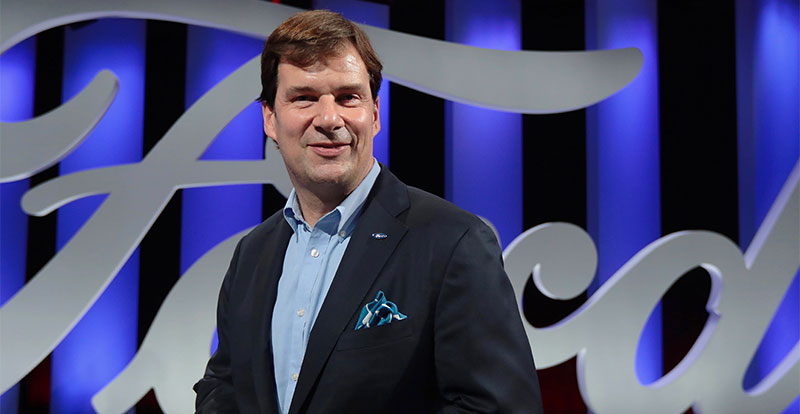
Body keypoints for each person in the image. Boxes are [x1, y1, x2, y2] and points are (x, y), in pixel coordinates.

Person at [194, 10, 543, 414]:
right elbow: (225, 385)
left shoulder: (453, 243)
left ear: (374, 114)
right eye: (304, 98)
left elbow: (499, 407)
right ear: (270, 118)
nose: (329, 119)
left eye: (348, 97)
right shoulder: (252, 254)